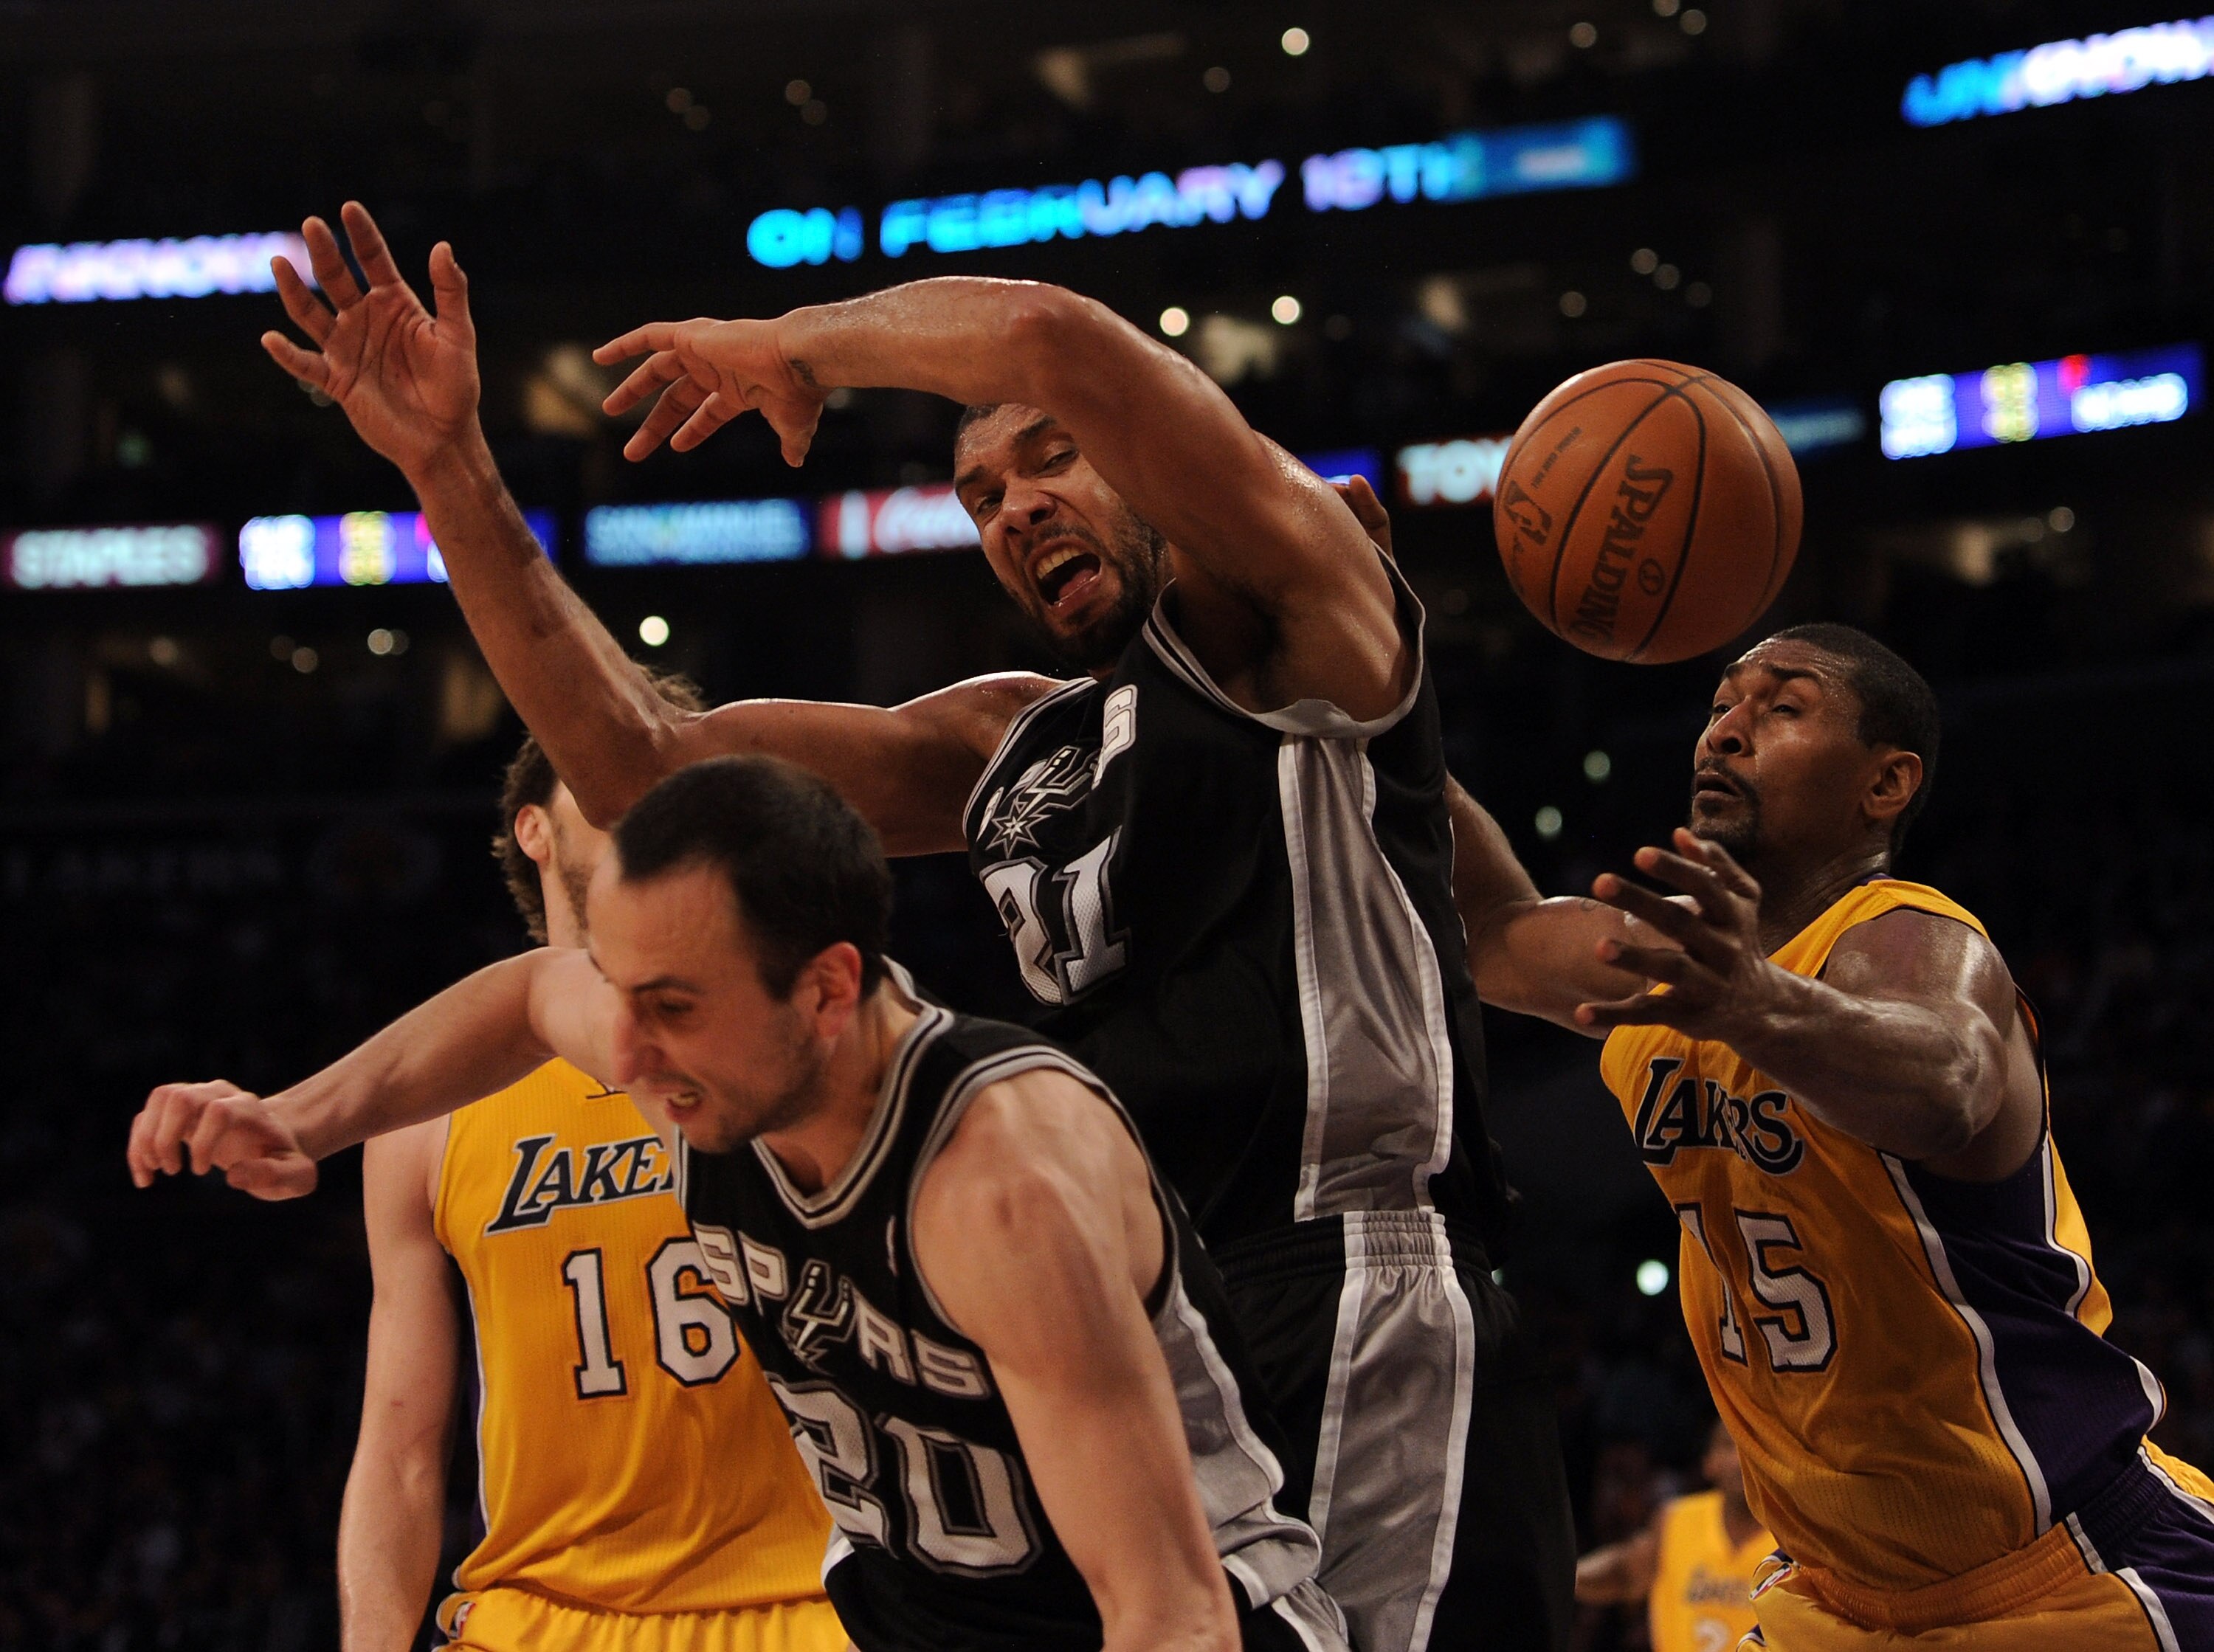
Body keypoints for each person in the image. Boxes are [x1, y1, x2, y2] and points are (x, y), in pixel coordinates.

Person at [252, 199, 1574, 1650]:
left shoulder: (1294, 615)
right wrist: (452, 474)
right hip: (1124, 1304)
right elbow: (641, 770)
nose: (1013, 509)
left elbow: (1046, 336)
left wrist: (797, 347)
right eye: (980, 497)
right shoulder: (1003, 740)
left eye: (1050, 459)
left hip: (1347, 1272)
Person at [128, 755, 1349, 1652]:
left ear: (824, 992)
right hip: (893, 1609)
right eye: (625, 1006)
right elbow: (524, 995)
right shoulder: (711, 1058)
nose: (630, 1061)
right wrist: (301, 1114)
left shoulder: (999, 1184)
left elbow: (1170, 1606)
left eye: (670, 1010)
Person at [1459, 623, 2214, 1649]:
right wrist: (1378, 697)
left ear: (1885, 782)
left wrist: (1755, 1005)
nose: (1725, 732)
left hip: (2069, 1576)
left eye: (1782, 706)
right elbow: (1493, 932)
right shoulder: (1680, 964)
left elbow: (1944, 1081)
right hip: (1833, 1599)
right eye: (1722, 705)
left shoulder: (1917, 937)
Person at [341, 696, 847, 1652]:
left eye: (665, 771)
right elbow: (403, 1448)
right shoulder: (430, 1107)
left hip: (807, 1609)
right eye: (604, 762)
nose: (638, 788)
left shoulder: (802, 1047)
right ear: (530, 824)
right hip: (536, 1620)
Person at [1573, 1422, 1770, 1652]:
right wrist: (1561, 1579)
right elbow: (1623, 1573)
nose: (1739, 1460)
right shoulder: (1675, 1520)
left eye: (1751, 1447)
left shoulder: (1797, 1536)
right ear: (1708, 1463)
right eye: (1728, 1446)